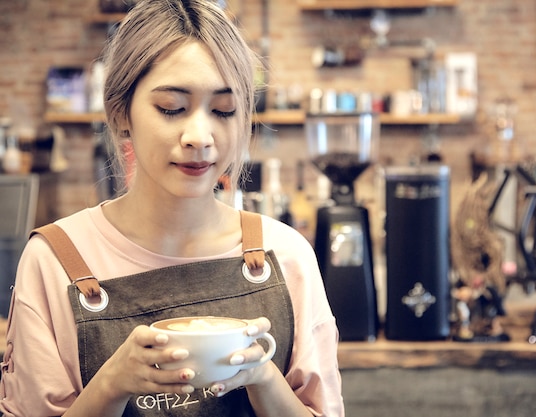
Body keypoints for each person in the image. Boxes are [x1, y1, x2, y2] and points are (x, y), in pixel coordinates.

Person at [0, 0, 344, 415]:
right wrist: (112, 384)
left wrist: (263, 375)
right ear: (120, 113)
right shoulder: (55, 260)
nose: (200, 136)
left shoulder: (286, 255)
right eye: (171, 108)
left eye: (223, 110)